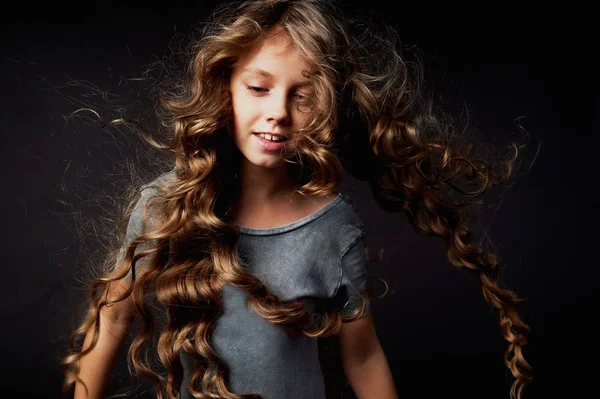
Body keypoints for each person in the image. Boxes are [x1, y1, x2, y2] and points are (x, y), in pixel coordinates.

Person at [60, 0, 532, 398]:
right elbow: (111, 322)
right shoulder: (164, 207)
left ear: (324, 106)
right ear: (225, 86)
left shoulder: (332, 223)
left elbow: (363, 355)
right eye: (259, 88)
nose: (279, 113)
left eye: (302, 96)